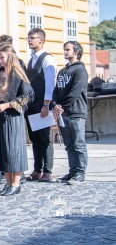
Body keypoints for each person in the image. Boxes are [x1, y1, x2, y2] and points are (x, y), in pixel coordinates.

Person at [0, 45, 34, 196]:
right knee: (4, 150)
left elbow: (27, 95)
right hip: (1, 116)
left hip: (13, 116)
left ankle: (16, 183)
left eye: (2, 57)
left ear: (10, 57)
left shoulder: (17, 74)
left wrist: (8, 105)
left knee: (14, 149)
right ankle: (8, 183)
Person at [53, 41, 88, 185]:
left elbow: (75, 92)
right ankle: (72, 171)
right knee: (69, 145)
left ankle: (80, 172)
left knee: (78, 144)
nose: (65, 52)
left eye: (68, 50)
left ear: (77, 52)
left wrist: (62, 106)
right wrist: (55, 105)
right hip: (63, 113)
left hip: (76, 113)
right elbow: (56, 90)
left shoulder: (80, 71)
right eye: (64, 50)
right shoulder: (62, 71)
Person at [25, 28, 57, 182]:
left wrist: (46, 104)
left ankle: (48, 171)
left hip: (42, 105)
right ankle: (37, 169)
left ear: (41, 40)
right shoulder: (31, 59)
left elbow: (50, 84)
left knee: (44, 139)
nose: (30, 40)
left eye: (33, 38)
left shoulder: (47, 59)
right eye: (28, 38)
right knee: (34, 139)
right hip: (31, 105)